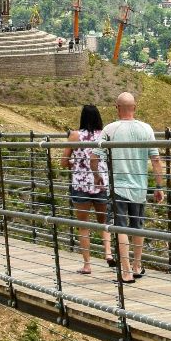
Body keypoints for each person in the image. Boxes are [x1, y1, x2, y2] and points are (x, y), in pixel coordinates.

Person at [102, 92, 163, 283]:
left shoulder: (110, 129)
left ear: (117, 108)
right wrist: (159, 186)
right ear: (134, 108)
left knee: (121, 228)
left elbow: (95, 157)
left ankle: (126, 272)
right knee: (138, 227)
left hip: (118, 187)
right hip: (140, 187)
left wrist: (97, 177)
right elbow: (156, 159)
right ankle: (137, 266)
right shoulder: (147, 129)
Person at [62, 104, 111, 274]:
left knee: (83, 226)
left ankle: (87, 265)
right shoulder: (105, 135)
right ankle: (108, 254)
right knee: (104, 223)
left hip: (81, 184)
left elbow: (63, 161)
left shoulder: (75, 136)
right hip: (101, 183)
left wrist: (75, 162)